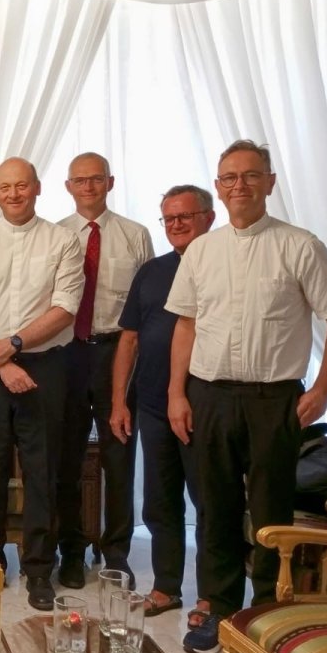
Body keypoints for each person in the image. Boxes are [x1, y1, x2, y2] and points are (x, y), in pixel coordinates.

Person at [166, 140, 327, 653]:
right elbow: (186, 324)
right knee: (214, 508)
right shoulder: (202, 249)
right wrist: (176, 394)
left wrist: (320, 390)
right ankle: (219, 611)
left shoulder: (301, 245)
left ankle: (268, 615)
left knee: (271, 511)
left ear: (270, 182)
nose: (239, 186)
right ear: (218, 187)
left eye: (251, 176)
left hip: (276, 400)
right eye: (229, 177)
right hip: (209, 395)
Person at [0, 158, 84, 610]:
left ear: (37, 189)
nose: (13, 194)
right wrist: (2, 358)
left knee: (42, 472)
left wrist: (14, 344)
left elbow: (65, 307)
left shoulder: (63, 241)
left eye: (21, 186)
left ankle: (39, 570)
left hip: (45, 367)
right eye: (5, 187)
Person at [110, 185, 216, 620]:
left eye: (184, 217)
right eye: (168, 219)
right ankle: (167, 587)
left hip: (205, 404)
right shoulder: (151, 271)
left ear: (208, 217)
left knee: (209, 502)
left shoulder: (221, 264)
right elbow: (129, 338)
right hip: (152, 405)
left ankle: (211, 595)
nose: (175, 226)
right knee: (159, 501)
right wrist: (119, 401)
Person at [55, 152, 153, 589]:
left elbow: (148, 306)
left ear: (110, 183)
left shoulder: (136, 235)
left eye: (96, 180)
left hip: (118, 353)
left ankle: (116, 552)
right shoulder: (53, 235)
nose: (88, 187)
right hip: (66, 354)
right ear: (68, 186)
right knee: (67, 458)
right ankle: (71, 551)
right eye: (80, 180)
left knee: (119, 457)